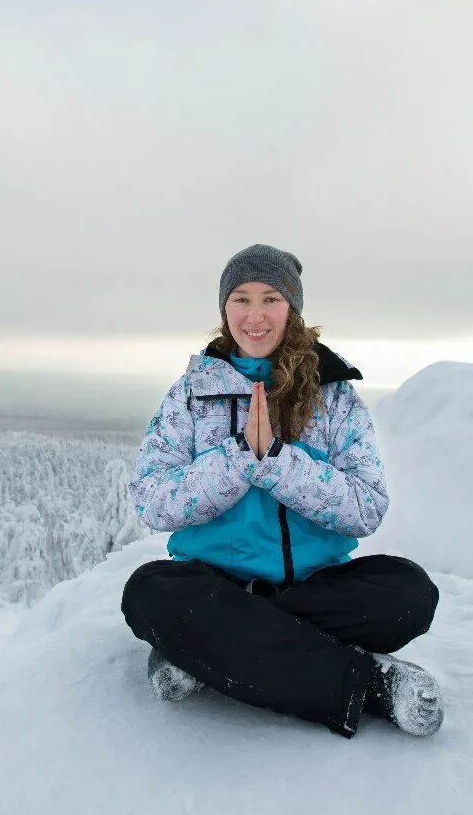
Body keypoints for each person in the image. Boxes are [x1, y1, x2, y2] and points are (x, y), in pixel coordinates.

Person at [121, 244, 444, 739]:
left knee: (408, 592)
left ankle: (207, 648)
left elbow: (366, 507)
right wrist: (237, 459)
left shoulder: (332, 396)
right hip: (213, 584)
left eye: (270, 298)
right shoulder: (192, 392)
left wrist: (276, 461)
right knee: (149, 591)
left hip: (314, 589)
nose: (255, 316)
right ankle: (369, 685)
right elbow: (153, 500)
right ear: (224, 309)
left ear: (292, 308)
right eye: (241, 299)